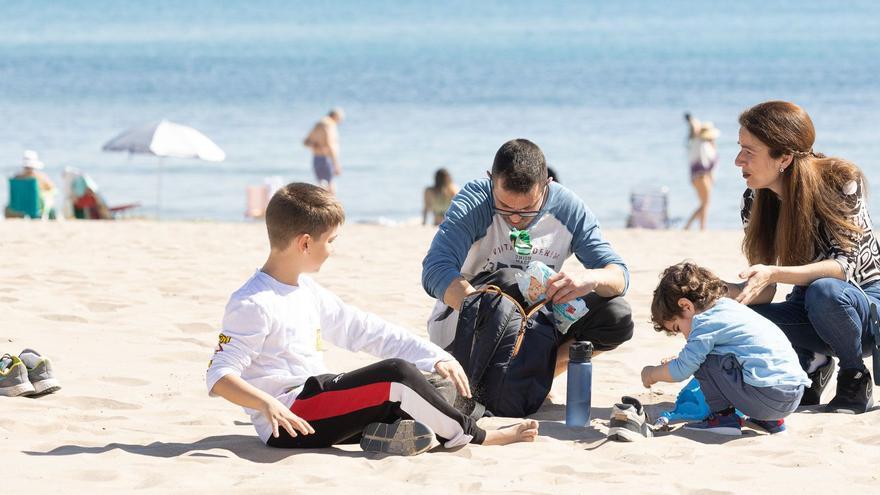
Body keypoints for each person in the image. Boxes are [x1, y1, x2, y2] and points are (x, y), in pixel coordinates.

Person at [206, 182, 538, 455]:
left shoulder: (306, 289)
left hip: (319, 400)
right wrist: (266, 404)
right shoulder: (252, 302)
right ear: (305, 243)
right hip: (292, 416)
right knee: (397, 374)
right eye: (331, 241)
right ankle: (476, 436)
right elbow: (219, 376)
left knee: (430, 381)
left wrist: (435, 355)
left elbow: (365, 330)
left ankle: (391, 433)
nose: (333, 249)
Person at [421, 139, 634, 378]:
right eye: (504, 206)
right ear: (491, 179)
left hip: (533, 326)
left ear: (547, 185)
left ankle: (539, 378)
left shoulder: (568, 208)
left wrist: (589, 278)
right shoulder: (474, 202)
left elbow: (619, 275)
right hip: (469, 323)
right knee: (509, 280)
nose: (514, 218)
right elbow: (435, 270)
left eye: (527, 209)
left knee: (617, 315)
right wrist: (488, 311)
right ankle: (506, 376)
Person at [725, 100, 879, 414]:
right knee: (735, 319)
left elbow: (843, 268)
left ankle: (854, 374)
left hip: (866, 304)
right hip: (809, 307)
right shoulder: (754, 200)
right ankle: (811, 361)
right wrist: (712, 295)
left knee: (824, 291)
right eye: (740, 148)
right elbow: (764, 289)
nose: (738, 160)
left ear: (784, 157)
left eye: (749, 151)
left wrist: (774, 273)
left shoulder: (840, 182)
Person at [642, 261, 810, 436]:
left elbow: (682, 370)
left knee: (704, 361)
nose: (684, 336)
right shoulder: (730, 309)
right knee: (713, 357)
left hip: (767, 395)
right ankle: (771, 421)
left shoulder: (704, 322)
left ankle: (723, 419)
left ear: (686, 306)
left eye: (677, 328)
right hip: (793, 395)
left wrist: (651, 374)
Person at [683, 114, 720, 231]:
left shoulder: (700, 144)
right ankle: (690, 225)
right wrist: (691, 119)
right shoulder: (701, 144)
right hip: (701, 176)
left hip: (699, 177)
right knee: (705, 203)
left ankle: (702, 227)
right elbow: (707, 164)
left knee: (704, 203)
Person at [303, 108, 344, 194]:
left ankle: (321, 205)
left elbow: (306, 142)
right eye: (340, 119)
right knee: (330, 185)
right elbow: (330, 144)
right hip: (327, 158)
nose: (340, 122)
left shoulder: (318, 124)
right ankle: (332, 207)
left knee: (322, 185)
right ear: (336, 116)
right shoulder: (329, 124)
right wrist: (336, 163)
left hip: (317, 158)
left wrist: (315, 145)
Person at [13, 150, 56, 217]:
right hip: (35, 207)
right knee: (49, 203)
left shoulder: (16, 178)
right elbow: (52, 188)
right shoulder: (39, 177)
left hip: (19, 207)